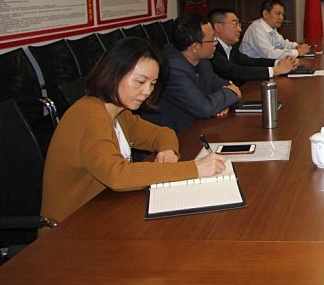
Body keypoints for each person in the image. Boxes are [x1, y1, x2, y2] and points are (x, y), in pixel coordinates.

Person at [41, 37, 227, 224]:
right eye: (140, 81)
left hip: (104, 211)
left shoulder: (119, 113)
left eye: (152, 84)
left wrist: (168, 150)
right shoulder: (89, 116)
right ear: (114, 73)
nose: (147, 91)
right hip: (71, 227)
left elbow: (162, 133)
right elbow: (117, 175)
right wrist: (194, 169)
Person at [142, 14, 241, 132]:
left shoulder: (202, 62)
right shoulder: (172, 68)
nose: (216, 43)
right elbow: (204, 108)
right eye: (212, 39)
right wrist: (229, 96)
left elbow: (223, 85)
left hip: (197, 127)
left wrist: (223, 103)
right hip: (173, 134)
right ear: (195, 47)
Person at [209, 8, 297, 84]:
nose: (240, 29)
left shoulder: (231, 48)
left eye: (239, 25)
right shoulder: (211, 49)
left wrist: (278, 62)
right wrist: (276, 70)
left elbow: (250, 62)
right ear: (218, 27)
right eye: (235, 24)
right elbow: (236, 72)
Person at [241, 0, 310, 59]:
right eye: (278, 14)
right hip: (251, 67)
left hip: (262, 65)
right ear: (265, 14)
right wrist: (297, 52)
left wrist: (296, 46)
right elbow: (269, 54)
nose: (281, 18)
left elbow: (282, 44)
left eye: (283, 15)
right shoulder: (257, 29)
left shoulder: (271, 28)